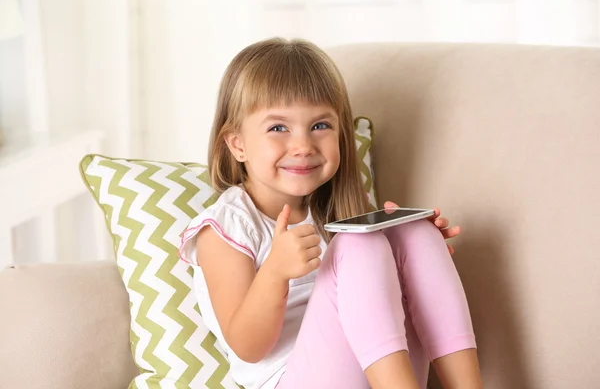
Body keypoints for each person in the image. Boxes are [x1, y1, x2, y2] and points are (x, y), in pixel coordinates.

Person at [179, 37, 482, 389]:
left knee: (415, 232)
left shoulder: (335, 214)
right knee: (360, 244)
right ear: (237, 144)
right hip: (289, 380)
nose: (303, 146)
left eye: (320, 126)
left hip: (375, 372)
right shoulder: (226, 227)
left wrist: (415, 257)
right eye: (278, 128)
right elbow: (247, 347)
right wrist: (274, 273)